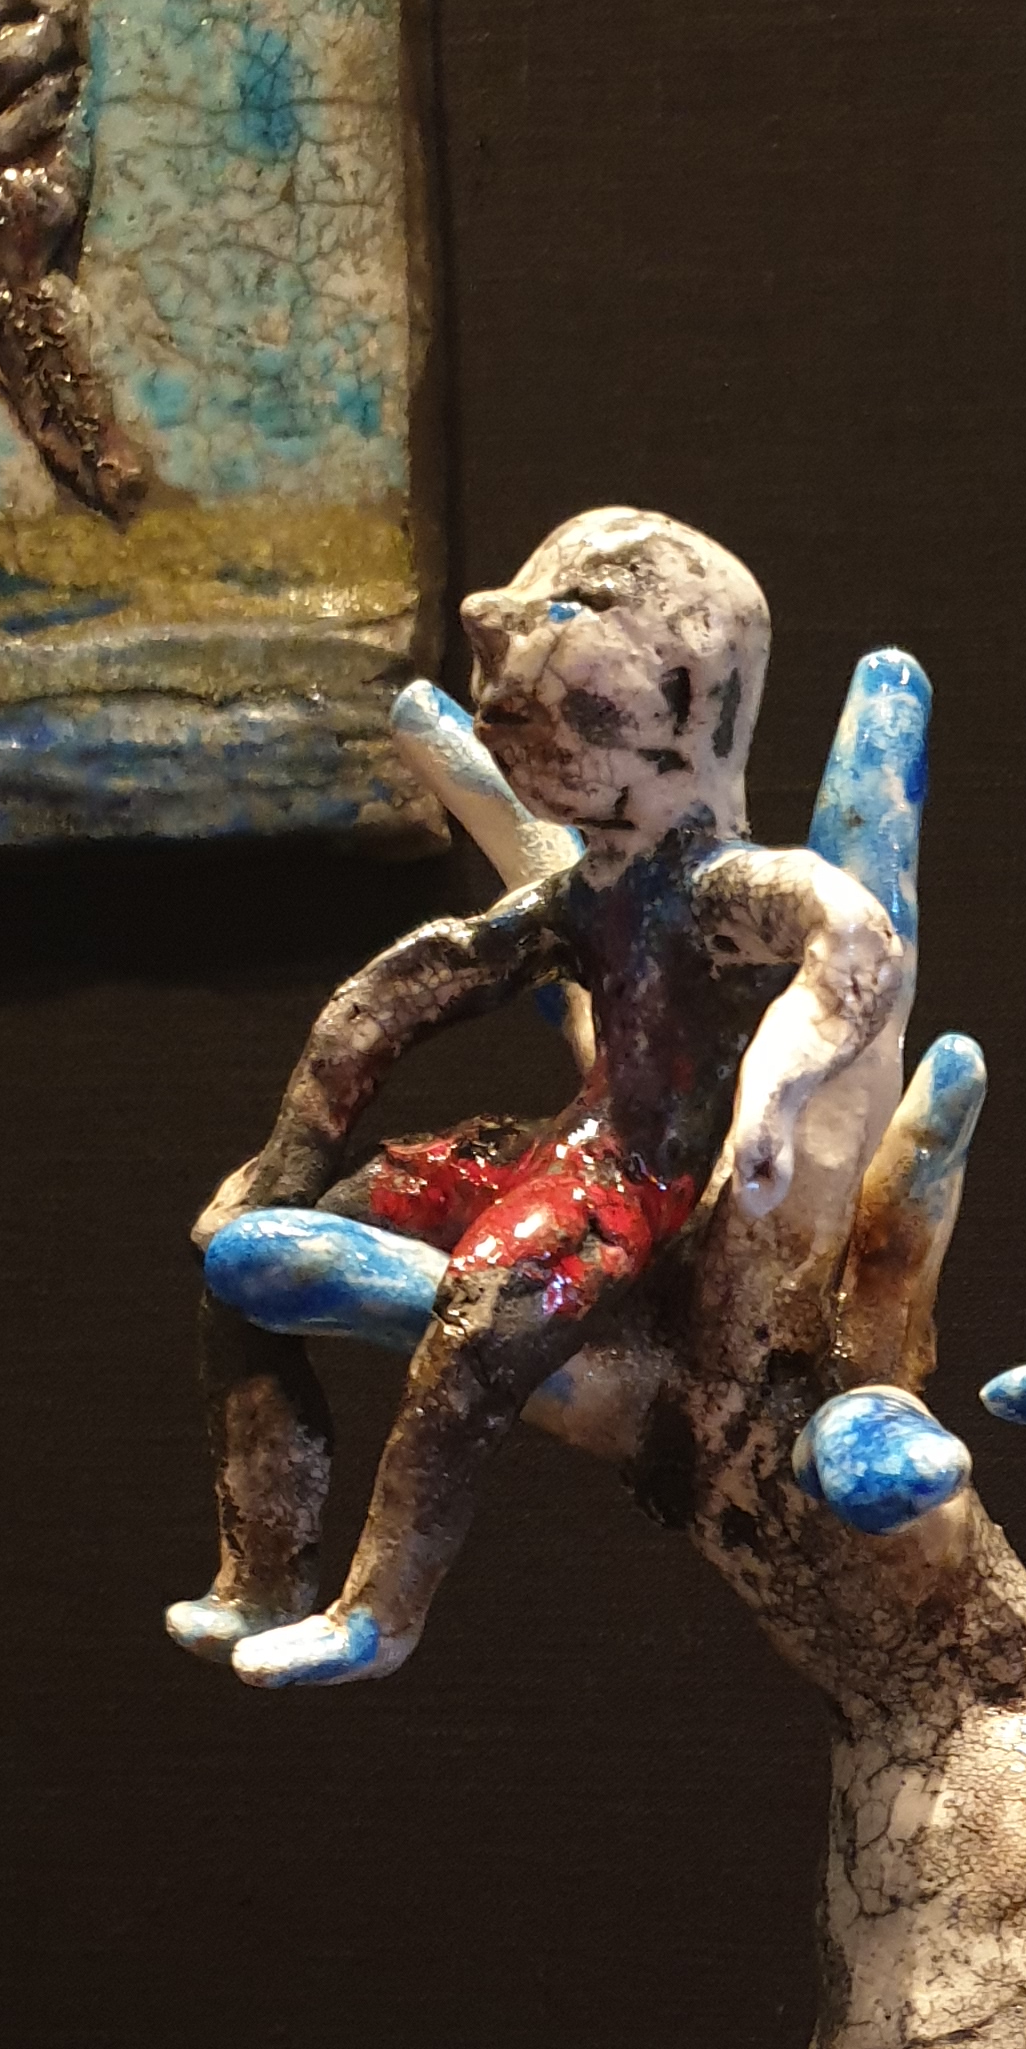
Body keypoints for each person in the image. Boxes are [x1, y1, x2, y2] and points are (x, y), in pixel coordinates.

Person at [167, 505, 902, 1688]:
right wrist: (283, 1169)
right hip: (563, 1155)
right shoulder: (592, 892)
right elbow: (398, 993)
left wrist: (776, 1087)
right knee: (241, 1270)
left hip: (633, 1188)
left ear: (684, 700)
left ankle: (379, 1614)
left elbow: (854, 935)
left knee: (480, 1320)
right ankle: (262, 1568)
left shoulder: (722, 889)